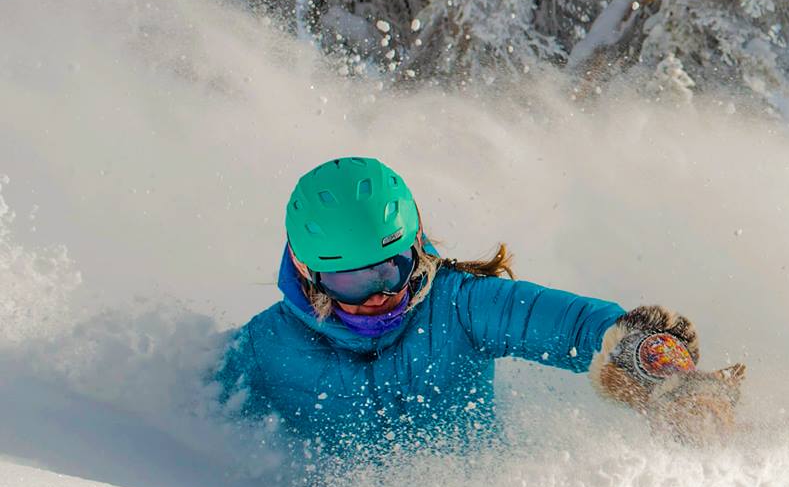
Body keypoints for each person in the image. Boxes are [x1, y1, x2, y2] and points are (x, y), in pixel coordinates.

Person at [215, 157, 741, 457]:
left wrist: (650, 358)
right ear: (310, 275)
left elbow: (576, 326)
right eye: (350, 280)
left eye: (390, 268)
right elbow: (194, 417)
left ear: (416, 247)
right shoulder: (267, 348)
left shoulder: (458, 304)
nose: (378, 292)